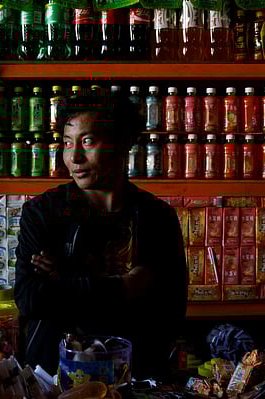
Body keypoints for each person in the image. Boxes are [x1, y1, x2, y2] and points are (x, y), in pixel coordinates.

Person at [14, 93, 187, 380]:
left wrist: (65, 279)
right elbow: (31, 299)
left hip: (136, 379)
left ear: (122, 143)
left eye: (87, 141)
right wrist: (122, 288)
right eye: (67, 143)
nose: (74, 157)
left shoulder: (157, 218)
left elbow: (169, 312)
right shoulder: (43, 213)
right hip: (54, 380)